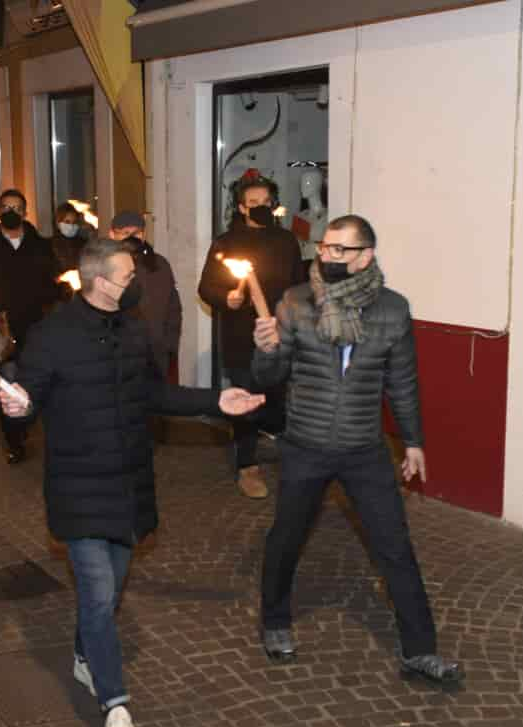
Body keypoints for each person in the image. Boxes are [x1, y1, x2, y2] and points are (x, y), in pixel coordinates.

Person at [0, 239, 266, 727]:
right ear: (98, 283)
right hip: (78, 486)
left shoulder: (134, 327)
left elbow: (155, 395)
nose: (135, 285)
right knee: (98, 593)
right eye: (127, 277)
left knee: (111, 590)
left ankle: (85, 655)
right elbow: (26, 398)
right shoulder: (53, 336)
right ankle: (115, 704)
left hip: (129, 484)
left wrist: (217, 400)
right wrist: (16, 407)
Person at [251, 215, 461, 683]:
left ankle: (420, 649)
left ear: (366, 256)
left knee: (395, 548)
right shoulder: (296, 301)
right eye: (324, 248)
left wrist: (413, 441)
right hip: (305, 443)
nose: (327, 257)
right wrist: (265, 349)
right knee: (286, 538)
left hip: (364, 448)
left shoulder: (392, 310)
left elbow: (401, 381)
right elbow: (268, 380)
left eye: (339, 251)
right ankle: (276, 621)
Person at [199, 169, 304, 499]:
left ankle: (293, 461)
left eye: (265, 201)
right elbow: (207, 286)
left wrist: (295, 318)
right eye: (252, 202)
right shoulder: (226, 242)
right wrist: (225, 298)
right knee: (246, 400)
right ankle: (247, 467)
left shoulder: (286, 241)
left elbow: (299, 284)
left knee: (279, 399)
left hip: (280, 334)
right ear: (242, 207)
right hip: (241, 337)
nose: (260, 206)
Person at [0, 189, 60, 464]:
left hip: (36, 327)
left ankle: (29, 424)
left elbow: (54, 282)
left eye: (17, 207)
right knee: (8, 380)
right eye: (6, 207)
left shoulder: (40, 245)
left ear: (25, 212)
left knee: (36, 380)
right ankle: (14, 438)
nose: (11, 211)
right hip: (2, 327)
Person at [108, 211, 181, 383]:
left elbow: (173, 307)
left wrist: (169, 345)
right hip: (117, 354)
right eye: (125, 233)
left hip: (155, 353)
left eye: (137, 232)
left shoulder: (159, 265)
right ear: (112, 235)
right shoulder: (103, 265)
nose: (131, 237)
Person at [51, 201, 88, 275]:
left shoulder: (84, 244)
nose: (71, 226)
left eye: (74, 222)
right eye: (67, 222)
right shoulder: (49, 245)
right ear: (58, 223)